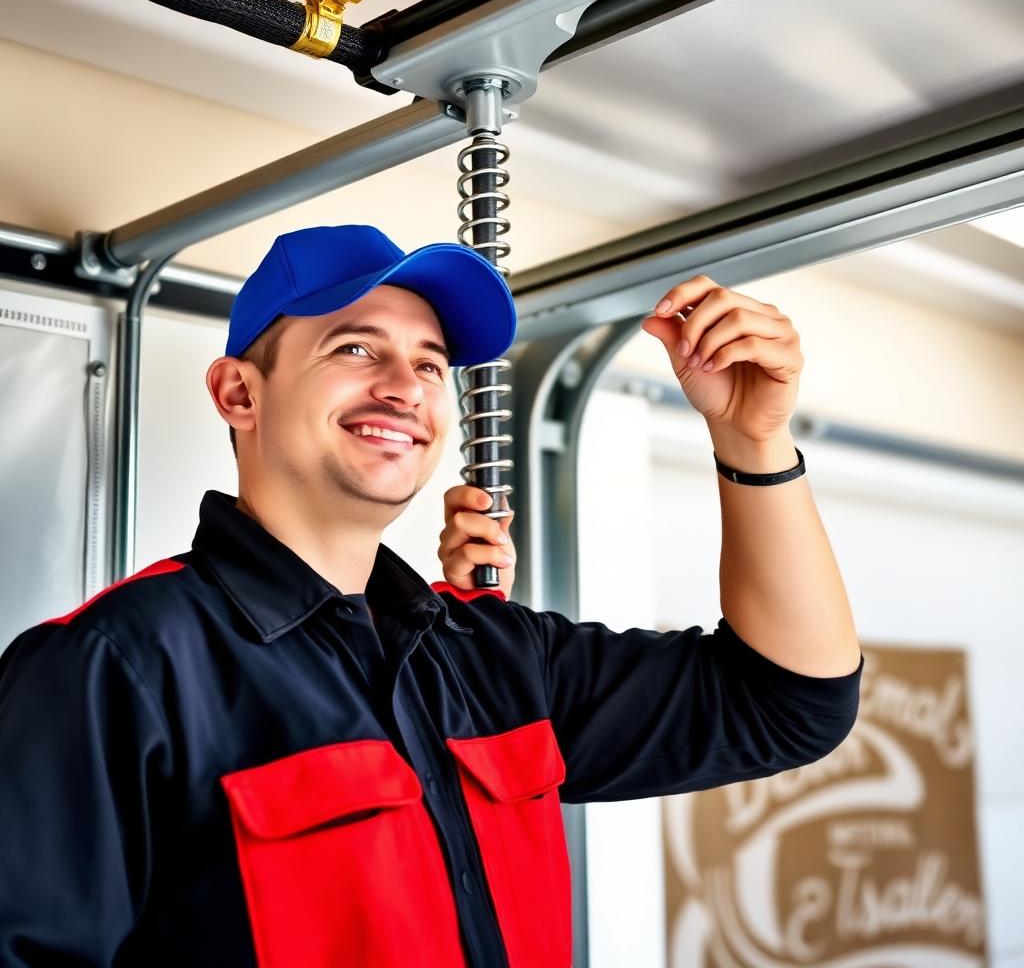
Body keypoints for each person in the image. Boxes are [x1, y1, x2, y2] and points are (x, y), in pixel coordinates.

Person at [0, 224, 862, 968]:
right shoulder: (115, 668)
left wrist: (752, 438)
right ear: (239, 393)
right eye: (355, 348)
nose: (405, 387)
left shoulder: (494, 656)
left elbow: (788, 701)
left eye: (430, 363)